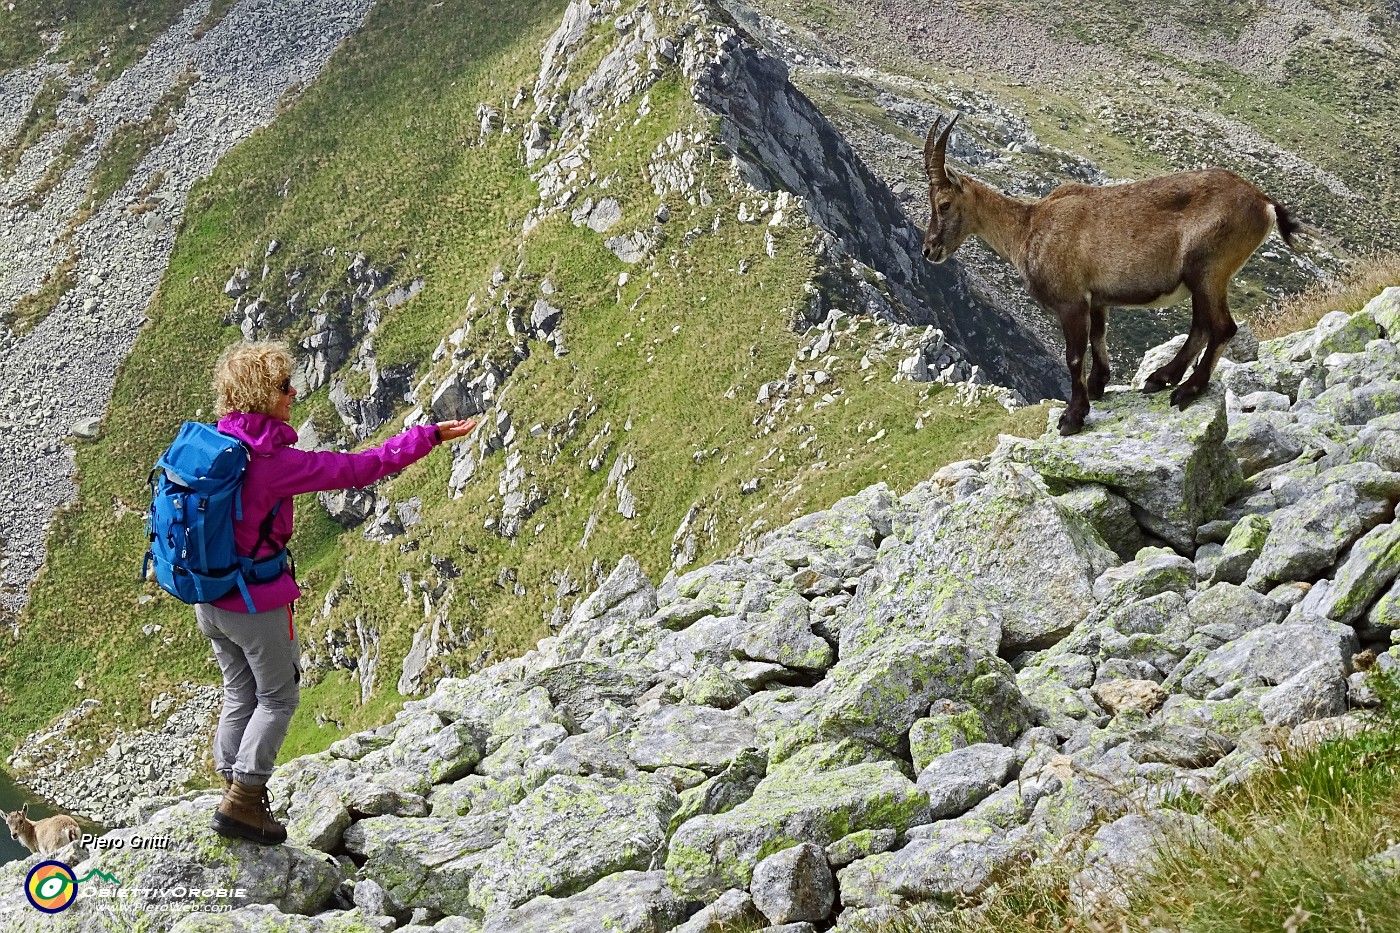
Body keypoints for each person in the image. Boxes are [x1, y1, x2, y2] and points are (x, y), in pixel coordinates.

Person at [199, 340, 475, 844]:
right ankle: (243, 799)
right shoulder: (270, 463)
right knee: (278, 697)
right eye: (283, 386)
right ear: (262, 396)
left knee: (239, 690)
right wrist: (427, 437)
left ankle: (232, 786)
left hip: (207, 598)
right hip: (254, 602)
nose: (294, 392)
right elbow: (357, 468)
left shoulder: (214, 448)